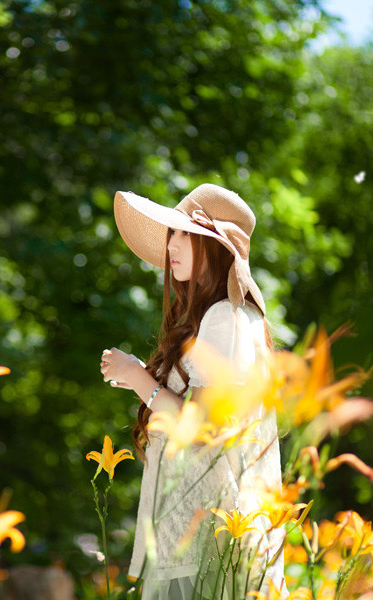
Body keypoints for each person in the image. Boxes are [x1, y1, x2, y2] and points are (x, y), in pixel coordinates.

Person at [99, 183, 286, 599]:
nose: (173, 245)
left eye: (186, 233)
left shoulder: (225, 317)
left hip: (207, 533)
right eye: (173, 233)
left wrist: (138, 378)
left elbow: (201, 427)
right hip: (203, 527)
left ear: (217, 246)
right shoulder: (229, 317)